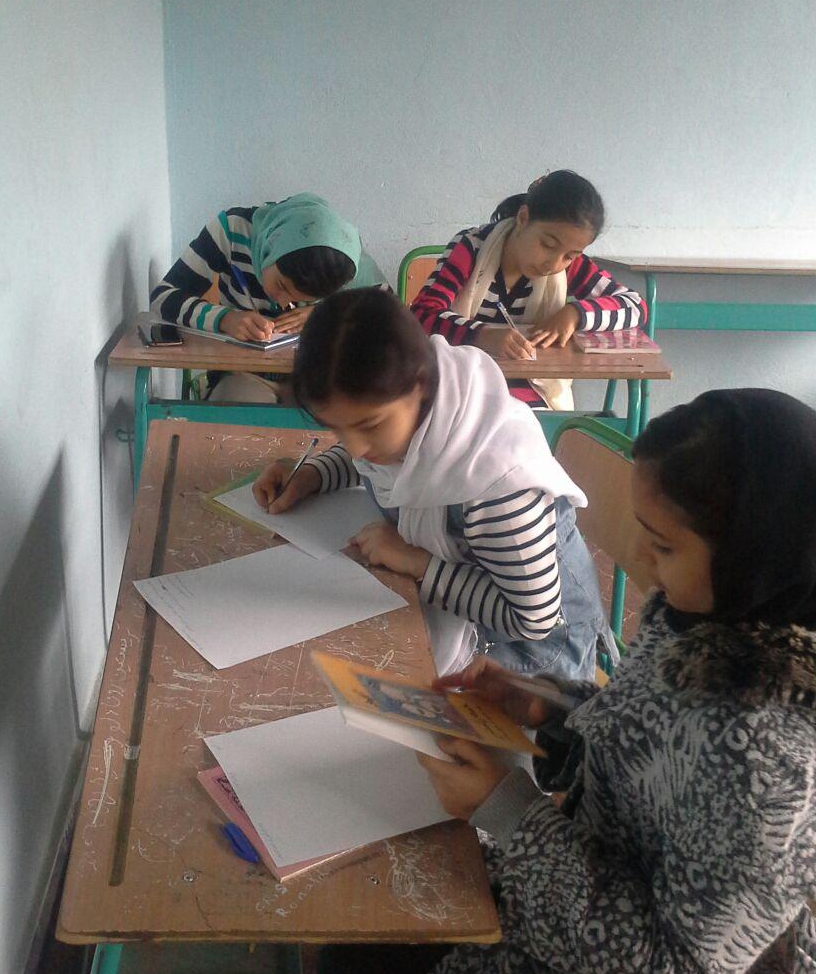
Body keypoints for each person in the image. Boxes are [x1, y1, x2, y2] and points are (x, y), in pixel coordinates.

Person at [361, 389, 816, 974]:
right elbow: (652, 740)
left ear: (757, 552)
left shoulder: (773, 769)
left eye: (662, 544)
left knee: (374, 964)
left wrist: (506, 811)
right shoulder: (722, 614)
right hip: (592, 884)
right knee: (378, 930)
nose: (637, 556)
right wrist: (550, 706)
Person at [252, 288, 612, 679]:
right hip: (462, 607)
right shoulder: (419, 415)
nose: (355, 448)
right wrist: (313, 475)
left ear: (420, 385)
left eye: (369, 426)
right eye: (337, 429)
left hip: (532, 660)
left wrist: (417, 563)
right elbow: (379, 461)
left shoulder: (497, 489)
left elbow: (533, 620)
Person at [411, 170, 646, 409]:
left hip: (530, 385)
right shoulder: (471, 247)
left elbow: (635, 306)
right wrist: (482, 335)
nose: (554, 264)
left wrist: (575, 314)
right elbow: (421, 315)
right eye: (547, 245)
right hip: (463, 379)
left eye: (570, 256)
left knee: (527, 422)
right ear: (523, 218)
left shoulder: (568, 268)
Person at [149, 192, 387, 402]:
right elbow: (163, 296)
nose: (282, 303)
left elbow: (388, 318)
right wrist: (225, 319)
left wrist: (328, 313)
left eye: (304, 298)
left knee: (330, 420)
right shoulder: (231, 232)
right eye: (281, 285)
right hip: (241, 373)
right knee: (241, 416)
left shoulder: (343, 257)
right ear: (271, 248)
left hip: (317, 376)